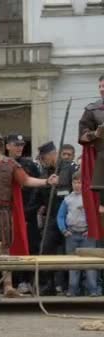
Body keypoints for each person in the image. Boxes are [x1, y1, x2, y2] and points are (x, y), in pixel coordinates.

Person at [0, 130, 58, 297]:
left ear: (1, 145)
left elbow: (26, 180)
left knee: (5, 248)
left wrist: (46, 181)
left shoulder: (11, 165)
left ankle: (8, 286)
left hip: (4, 211)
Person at [35, 141, 74, 295]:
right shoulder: (44, 172)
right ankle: (48, 284)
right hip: (51, 216)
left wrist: (59, 184)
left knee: (68, 252)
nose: (42, 161)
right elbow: (39, 194)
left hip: (68, 218)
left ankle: (68, 285)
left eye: (44, 158)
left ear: (52, 155)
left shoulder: (69, 168)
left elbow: (76, 189)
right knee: (45, 249)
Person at [4, 133, 41, 294]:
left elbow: (36, 189)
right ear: (8, 146)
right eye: (16, 145)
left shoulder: (29, 165)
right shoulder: (2, 164)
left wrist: (28, 212)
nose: (19, 148)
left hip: (28, 213)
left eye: (21, 145)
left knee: (30, 246)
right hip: (8, 213)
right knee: (10, 248)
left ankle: (28, 281)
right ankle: (11, 283)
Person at [57, 171, 101, 297]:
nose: (77, 185)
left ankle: (92, 289)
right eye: (75, 182)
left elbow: (95, 216)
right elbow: (60, 216)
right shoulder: (67, 199)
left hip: (87, 234)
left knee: (90, 264)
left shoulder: (89, 198)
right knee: (73, 264)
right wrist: (64, 230)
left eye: (80, 182)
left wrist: (91, 229)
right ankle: (73, 289)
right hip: (72, 234)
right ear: (72, 183)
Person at [78, 75, 104, 241]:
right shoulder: (92, 109)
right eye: (100, 86)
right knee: (102, 205)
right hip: (102, 160)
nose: (102, 89)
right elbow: (82, 136)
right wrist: (95, 134)